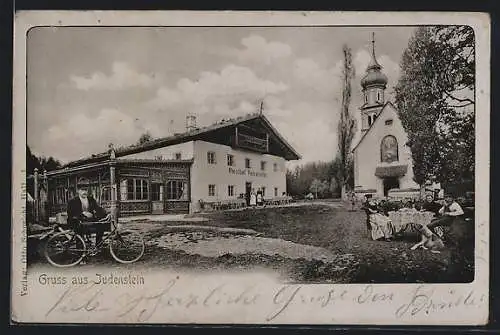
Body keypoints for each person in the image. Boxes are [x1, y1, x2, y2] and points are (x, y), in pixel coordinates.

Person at [67, 181, 107, 247]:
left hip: (89, 222)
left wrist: (106, 214)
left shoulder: (91, 199)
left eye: (86, 190)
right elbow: (70, 213)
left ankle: (98, 246)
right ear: (78, 191)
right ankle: (80, 249)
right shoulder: (73, 201)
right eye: (82, 190)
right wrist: (82, 213)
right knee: (79, 229)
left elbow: (98, 209)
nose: (84, 192)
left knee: (101, 226)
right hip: (77, 222)